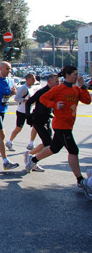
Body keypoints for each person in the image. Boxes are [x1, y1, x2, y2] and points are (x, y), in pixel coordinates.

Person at [24, 66, 92, 199]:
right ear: (66, 75)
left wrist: (83, 86)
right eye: (75, 74)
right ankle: (80, 181)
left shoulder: (76, 89)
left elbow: (88, 101)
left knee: (54, 148)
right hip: (61, 125)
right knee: (73, 150)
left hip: (68, 124)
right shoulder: (58, 89)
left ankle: (33, 160)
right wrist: (54, 105)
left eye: (78, 75)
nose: (77, 77)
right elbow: (43, 99)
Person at [23, 74, 59, 172]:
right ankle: (32, 158)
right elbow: (28, 102)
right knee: (49, 144)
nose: (58, 83)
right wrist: (28, 116)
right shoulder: (42, 91)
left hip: (47, 119)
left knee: (47, 143)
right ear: (49, 82)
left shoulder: (55, 92)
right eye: (56, 82)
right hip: (38, 119)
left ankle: (30, 155)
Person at [6, 73, 37, 151]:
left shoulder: (31, 88)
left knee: (36, 126)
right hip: (22, 111)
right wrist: (25, 100)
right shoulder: (24, 88)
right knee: (19, 128)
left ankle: (31, 143)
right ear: (28, 79)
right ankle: (9, 142)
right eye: (33, 79)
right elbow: (16, 98)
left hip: (30, 111)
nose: (34, 80)